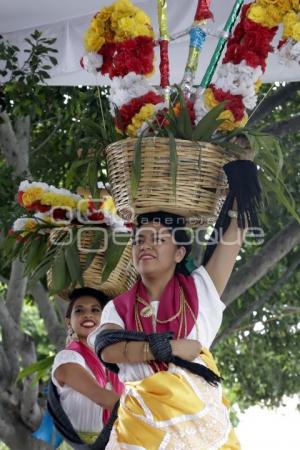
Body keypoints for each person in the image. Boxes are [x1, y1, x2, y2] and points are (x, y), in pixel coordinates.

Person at [92, 157, 259, 449]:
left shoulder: (200, 290)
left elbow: (234, 235)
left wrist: (244, 170)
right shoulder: (117, 307)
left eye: (157, 238)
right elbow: (107, 348)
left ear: (180, 253)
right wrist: (167, 348)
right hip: (140, 430)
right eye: (139, 240)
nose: (145, 245)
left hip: (200, 429)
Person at [50, 287, 123, 449]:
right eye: (79, 310)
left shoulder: (113, 360)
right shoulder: (67, 358)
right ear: (69, 321)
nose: (87, 314)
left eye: (95, 310)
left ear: (105, 318)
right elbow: (102, 397)